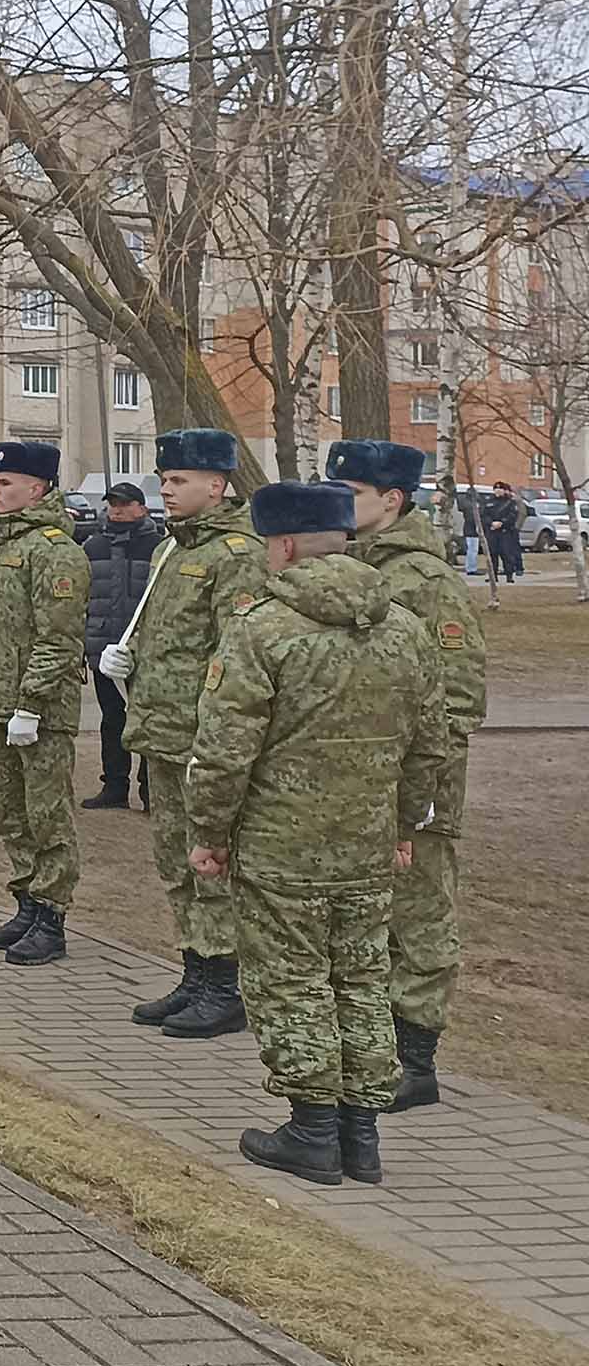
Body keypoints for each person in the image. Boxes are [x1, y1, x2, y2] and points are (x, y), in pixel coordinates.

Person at [187, 479, 438, 1188]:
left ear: (286, 544)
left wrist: (208, 831)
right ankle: (362, 1138)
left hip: (280, 847)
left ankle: (312, 1131)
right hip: (365, 845)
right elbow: (430, 744)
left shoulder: (262, 628)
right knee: (362, 981)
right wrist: (401, 824)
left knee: (291, 982)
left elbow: (224, 750)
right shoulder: (403, 627)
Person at [329, 439, 487, 1112]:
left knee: (418, 915)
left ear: (390, 500)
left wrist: (420, 788)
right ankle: (374, 1049)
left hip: (414, 784)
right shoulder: (352, 566)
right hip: (363, 778)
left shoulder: (422, 578)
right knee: (371, 916)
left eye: (352, 494)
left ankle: (415, 1058)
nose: (339, 504)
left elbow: (459, 692)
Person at [111, 430, 266, 1036]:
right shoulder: (171, 550)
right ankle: (195, 972)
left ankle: (226, 985)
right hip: (162, 729)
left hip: (204, 736)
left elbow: (236, 653)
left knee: (211, 865)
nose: (166, 490)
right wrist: (134, 660)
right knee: (175, 861)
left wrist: (218, 735)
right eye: (165, 479)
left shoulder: (236, 554)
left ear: (218, 485)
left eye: (179, 481)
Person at [0, 440, 89, 965]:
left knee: (47, 814)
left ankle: (52, 916)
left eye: (6, 483)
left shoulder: (55, 549)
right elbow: (7, 627)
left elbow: (57, 638)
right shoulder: (3, 544)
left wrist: (32, 704)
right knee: (10, 814)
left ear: (37, 489)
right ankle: (26, 903)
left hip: (38, 711)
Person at [78, 481, 165, 810]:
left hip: (145, 650)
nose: (118, 510)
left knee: (145, 720)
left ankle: (149, 789)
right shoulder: (93, 546)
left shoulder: (159, 546)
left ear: (141, 508)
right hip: (103, 647)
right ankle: (114, 785)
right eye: (113, 504)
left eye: (125, 504)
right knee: (112, 719)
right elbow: (84, 598)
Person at [481, 481, 527, 586]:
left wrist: (502, 523)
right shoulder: (488, 502)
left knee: (506, 555)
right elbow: (483, 515)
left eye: (500, 489)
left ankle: (509, 576)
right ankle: (493, 576)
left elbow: (513, 516)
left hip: (505, 532)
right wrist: (491, 523)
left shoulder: (510, 502)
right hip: (492, 532)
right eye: (496, 489)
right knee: (492, 555)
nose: (498, 491)